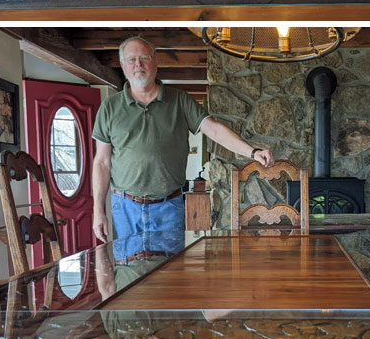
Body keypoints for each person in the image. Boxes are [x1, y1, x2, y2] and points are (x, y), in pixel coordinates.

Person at [92, 36, 275, 243]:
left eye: (144, 57)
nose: (138, 64)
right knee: (129, 273)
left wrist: (253, 152)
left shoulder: (180, 100)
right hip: (125, 208)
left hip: (169, 207)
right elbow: (102, 162)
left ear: (155, 61)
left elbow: (214, 130)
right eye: (131, 59)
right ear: (123, 65)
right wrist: (98, 210)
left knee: (172, 273)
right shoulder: (109, 107)